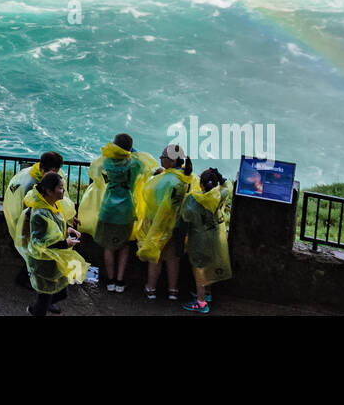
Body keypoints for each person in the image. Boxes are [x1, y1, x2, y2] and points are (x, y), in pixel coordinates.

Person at [77, 133, 157, 293]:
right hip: (126, 207)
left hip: (108, 207)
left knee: (108, 246)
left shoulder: (107, 161)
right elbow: (146, 166)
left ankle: (111, 281)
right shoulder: (134, 163)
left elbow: (95, 170)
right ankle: (120, 281)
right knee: (124, 245)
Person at [20, 171, 87, 316]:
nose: (63, 191)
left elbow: (55, 225)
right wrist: (65, 243)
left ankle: (37, 307)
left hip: (54, 260)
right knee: (46, 298)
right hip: (44, 263)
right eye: (60, 188)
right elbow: (40, 242)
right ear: (49, 191)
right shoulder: (40, 214)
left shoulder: (53, 206)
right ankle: (35, 310)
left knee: (60, 293)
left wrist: (68, 229)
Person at [136, 143, 194, 301]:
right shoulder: (185, 178)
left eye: (163, 156)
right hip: (177, 226)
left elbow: (149, 195)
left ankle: (151, 288)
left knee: (155, 257)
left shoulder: (165, 180)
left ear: (173, 162)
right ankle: (173, 290)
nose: (160, 158)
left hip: (159, 225)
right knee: (173, 259)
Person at [3, 151, 64, 286]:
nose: (56, 174)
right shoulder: (32, 184)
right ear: (43, 169)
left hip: (36, 222)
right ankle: (30, 282)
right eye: (54, 171)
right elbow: (28, 210)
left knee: (35, 253)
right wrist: (25, 232)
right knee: (33, 253)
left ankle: (28, 280)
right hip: (29, 223)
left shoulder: (39, 175)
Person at [179, 167, 233, 313]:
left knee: (200, 270)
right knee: (210, 265)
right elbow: (228, 186)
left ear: (201, 184)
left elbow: (186, 216)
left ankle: (201, 302)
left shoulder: (193, 200)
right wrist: (221, 179)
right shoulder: (221, 194)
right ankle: (207, 294)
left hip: (199, 240)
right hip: (216, 238)